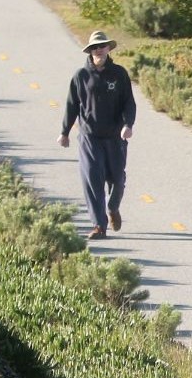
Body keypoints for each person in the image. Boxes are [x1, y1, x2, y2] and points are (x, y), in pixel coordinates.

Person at [57, 30, 136, 240]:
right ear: (90, 51)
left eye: (102, 46)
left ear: (109, 48)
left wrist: (128, 125)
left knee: (117, 178)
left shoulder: (119, 74)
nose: (98, 50)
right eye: (94, 47)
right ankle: (99, 226)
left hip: (115, 136)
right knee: (93, 178)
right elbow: (71, 105)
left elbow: (129, 102)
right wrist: (65, 132)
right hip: (89, 137)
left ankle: (113, 207)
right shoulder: (80, 76)